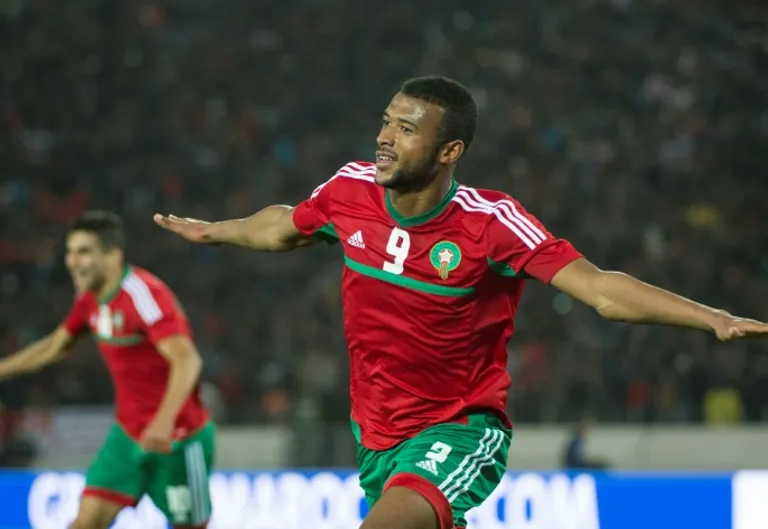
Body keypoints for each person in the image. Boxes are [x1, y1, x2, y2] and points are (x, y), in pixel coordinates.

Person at [155, 76, 767, 529]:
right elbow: (282, 227)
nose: (384, 138)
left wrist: (710, 318)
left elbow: (602, 290)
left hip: (460, 428)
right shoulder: (349, 189)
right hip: (376, 435)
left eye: (406, 129)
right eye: (387, 122)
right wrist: (216, 230)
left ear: (449, 151)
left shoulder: (491, 223)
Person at [0, 211, 213, 529]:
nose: (72, 262)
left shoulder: (143, 296)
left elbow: (187, 360)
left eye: (84, 252)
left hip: (178, 440)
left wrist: (164, 421)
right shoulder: (89, 298)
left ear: (113, 255)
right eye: (70, 252)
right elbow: (55, 346)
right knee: (84, 524)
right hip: (126, 437)